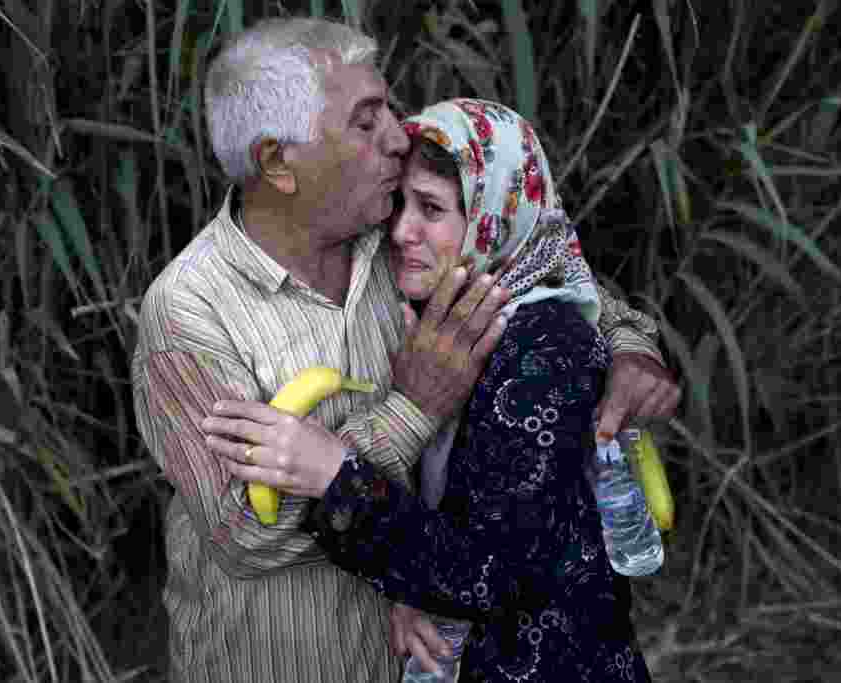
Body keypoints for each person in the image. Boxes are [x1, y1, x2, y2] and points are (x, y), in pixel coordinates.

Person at [133, 17, 679, 683]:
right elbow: (250, 531)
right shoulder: (190, 311)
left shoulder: (391, 245)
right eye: (367, 123)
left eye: (389, 109)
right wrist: (412, 409)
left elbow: (542, 279)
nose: (397, 136)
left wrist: (629, 347)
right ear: (278, 161)